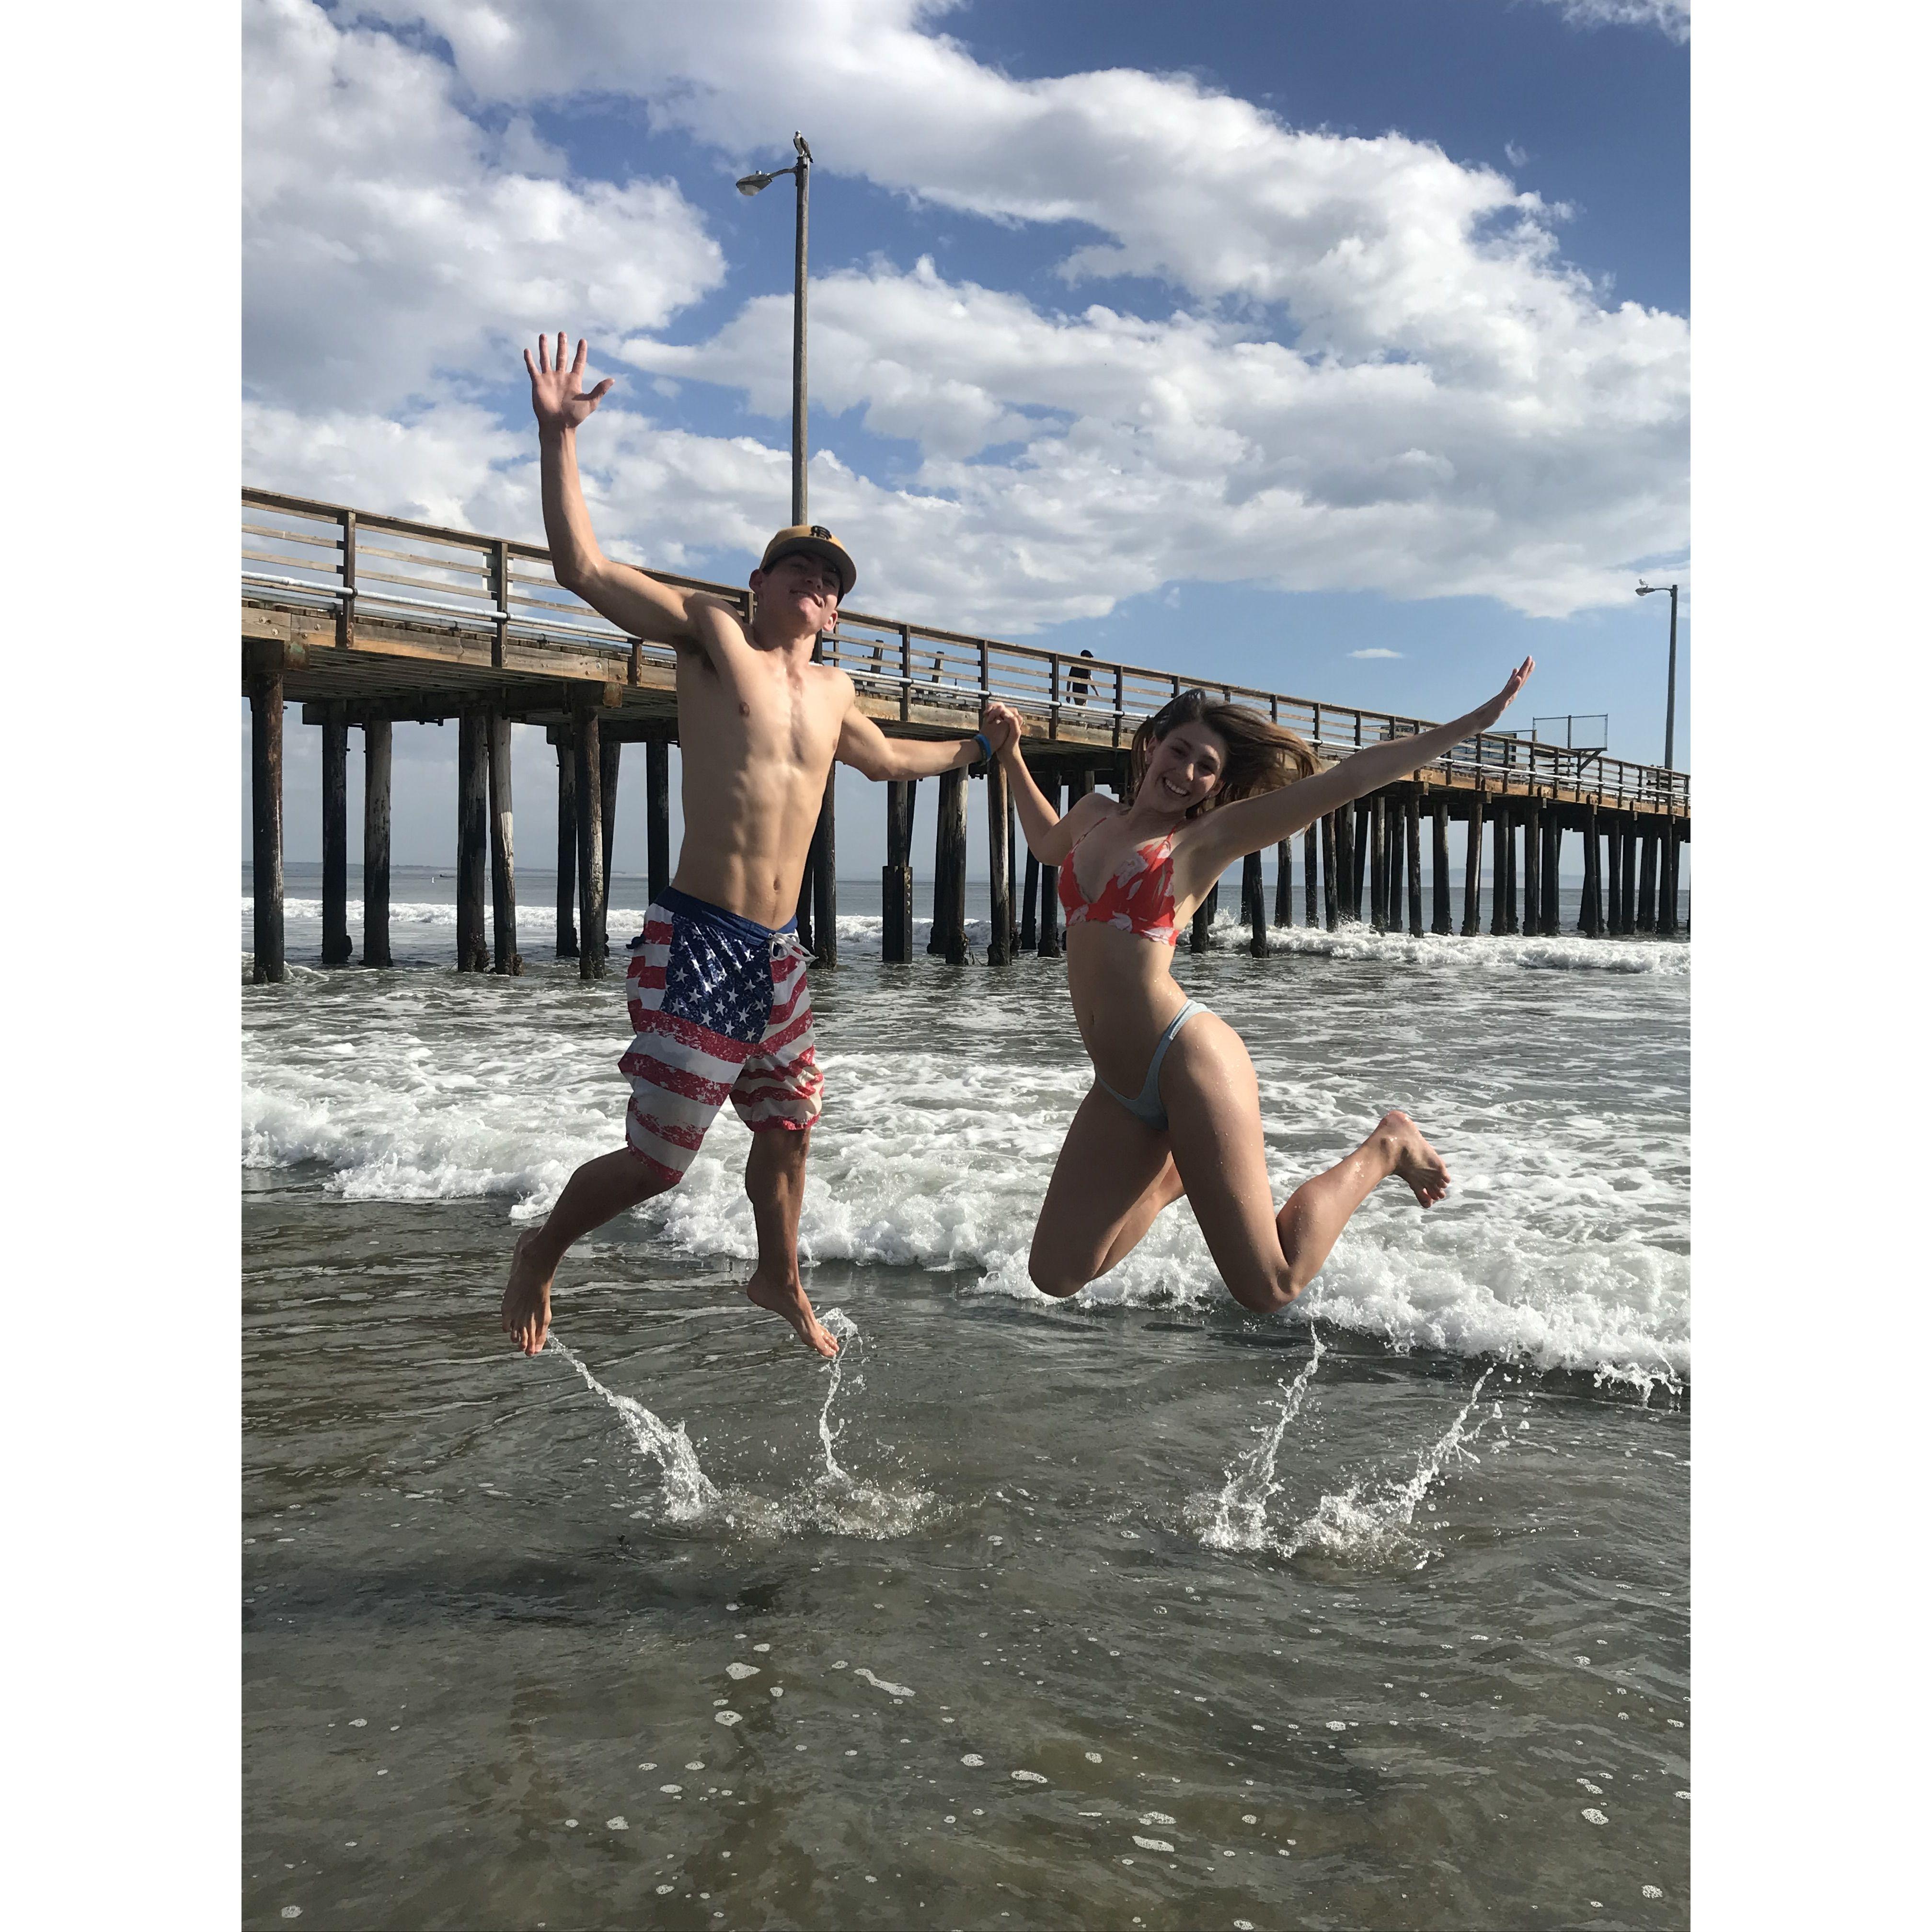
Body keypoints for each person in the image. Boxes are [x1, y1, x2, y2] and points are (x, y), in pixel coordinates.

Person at [501, 334, 1013, 1359]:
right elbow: (584, 567)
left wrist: (978, 749)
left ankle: (776, 1275)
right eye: (801, 570)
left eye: (832, 580)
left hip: (777, 953)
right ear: (762, 580)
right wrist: (558, 439)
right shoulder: (710, 636)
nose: (819, 586)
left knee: (790, 1125)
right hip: (698, 936)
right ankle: (541, 1249)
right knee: (660, 1165)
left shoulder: (835, 695)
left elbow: (888, 764)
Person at [982, 659, 1533, 1313]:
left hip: (1184, 1060)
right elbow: (1046, 844)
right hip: (1119, 1084)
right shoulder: (1093, 815)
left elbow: (1351, 778)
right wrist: (1011, 756)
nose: (1186, 773)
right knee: (1058, 1272)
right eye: (1180, 751)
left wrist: (1472, 723)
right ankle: (1175, 1173)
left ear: (1218, 783)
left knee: (1271, 1285)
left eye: (1206, 767)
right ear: (1152, 743)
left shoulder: (1203, 841)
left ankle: (1388, 1145)